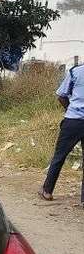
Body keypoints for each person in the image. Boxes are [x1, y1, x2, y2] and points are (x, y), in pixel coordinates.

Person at [39, 62, 84, 205]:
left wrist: (70, 109)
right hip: (74, 119)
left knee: (59, 156)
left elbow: (61, 96)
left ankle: (47, 190)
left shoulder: (75, 72)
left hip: (73, 120)